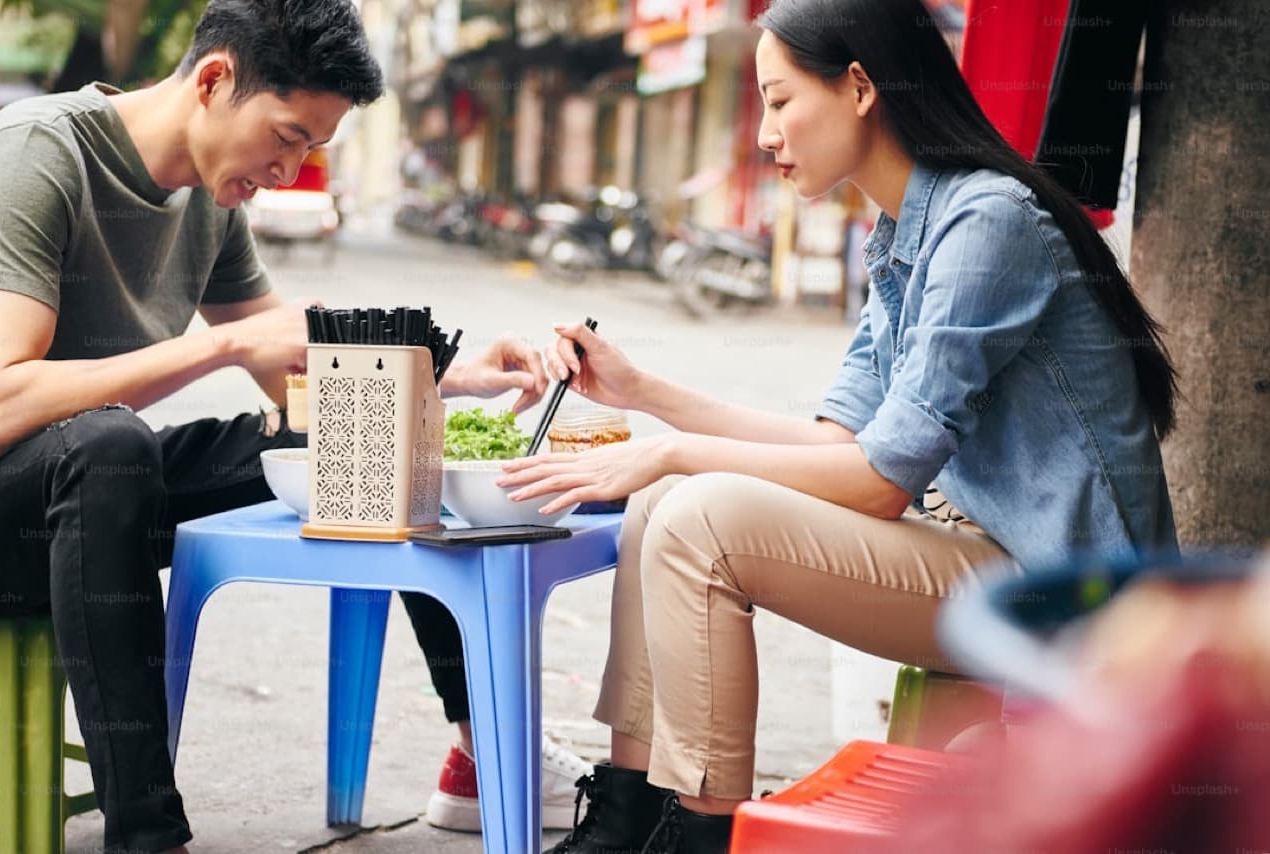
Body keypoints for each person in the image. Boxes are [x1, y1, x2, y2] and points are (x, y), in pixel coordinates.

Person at [498, 0, 1180, 851]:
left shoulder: (988, 222)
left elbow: (879, 483)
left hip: (1068, 597)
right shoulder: (899, 235)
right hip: (982, 559)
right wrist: (643, 394)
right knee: (664, 498)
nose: (765, 135)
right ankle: (627, 820)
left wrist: (668, 451)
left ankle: (705, 836)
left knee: (695, 511)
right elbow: (838, 444)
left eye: (780, 102)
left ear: (859, 87)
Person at [0, 1, 588, 851]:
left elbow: (298, 364)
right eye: (285, 137)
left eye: (310, 149)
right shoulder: (38, 152)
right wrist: (218, 345)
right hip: (14, 509)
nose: (288, 171)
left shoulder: (209, 199)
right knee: (108, 444)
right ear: (214, 79)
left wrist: (451, 376)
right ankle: (148, 838)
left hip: (93, 495)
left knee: (372, 432)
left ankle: (476, 755)